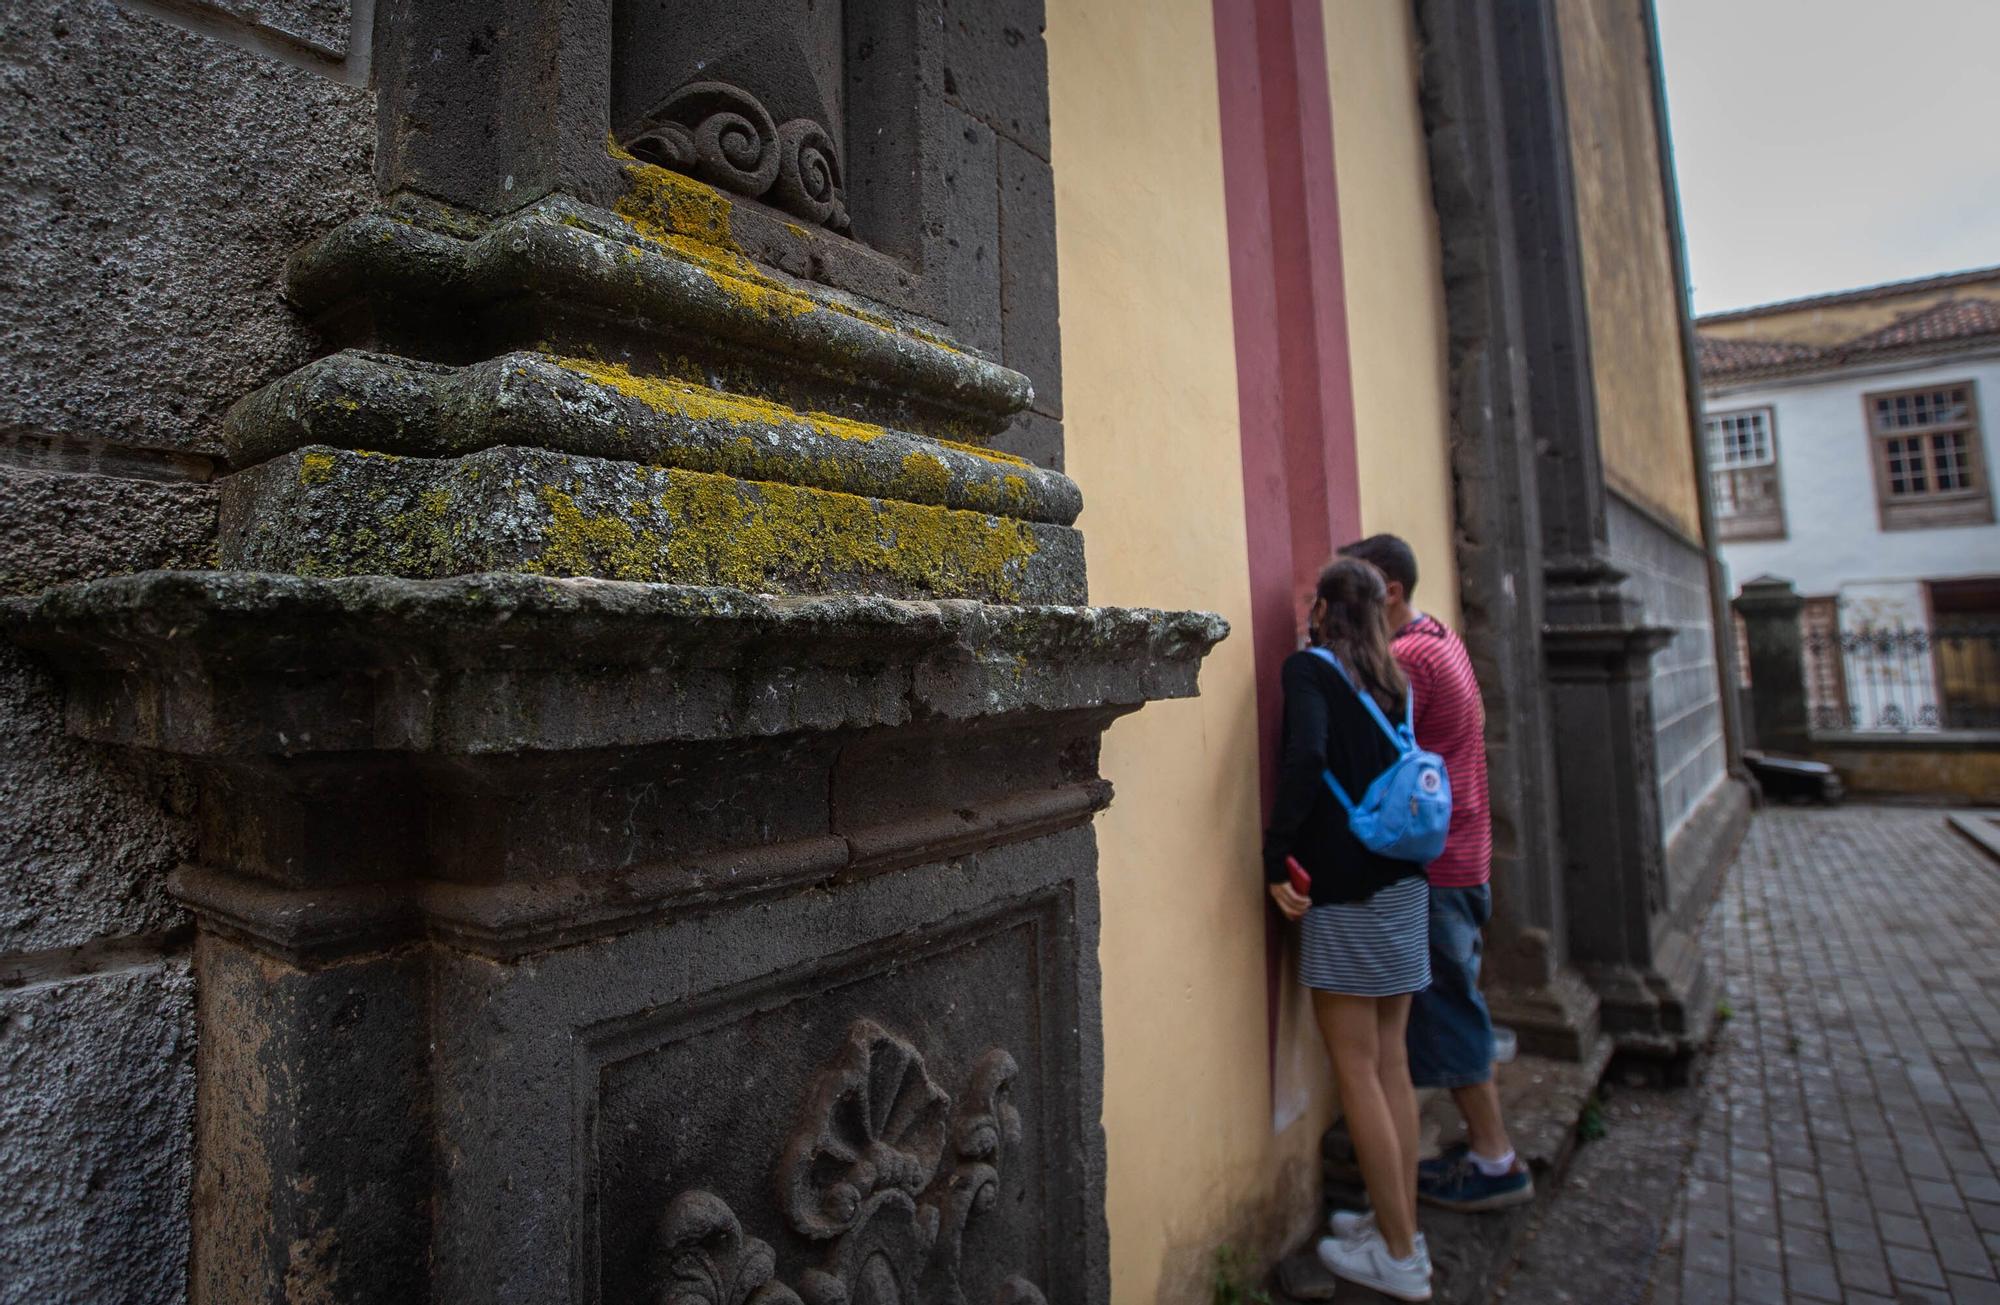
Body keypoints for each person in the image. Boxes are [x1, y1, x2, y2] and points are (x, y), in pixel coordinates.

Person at [1337, 533, 1534, 1214]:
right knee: (1449, 1003)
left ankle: (1493, 1157)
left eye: (1357, 592)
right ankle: (1478, 1148)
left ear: (1388, 593)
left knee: (1449, 1009)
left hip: (1442, 865)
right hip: (1464, 854)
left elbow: (1361, 728)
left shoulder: (1410, 657)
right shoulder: (1439, 635)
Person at [1264, 557, 1434, 1302]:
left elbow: (1304, 756)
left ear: (1325, 610)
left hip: (1345, 888)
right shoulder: (1395, 680)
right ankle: (1404, 1231)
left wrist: (1274, 856)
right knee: (1391, 1064)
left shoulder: (1310, 671)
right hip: (1403, 886)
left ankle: (1398, 1258)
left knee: (1358, 1070)